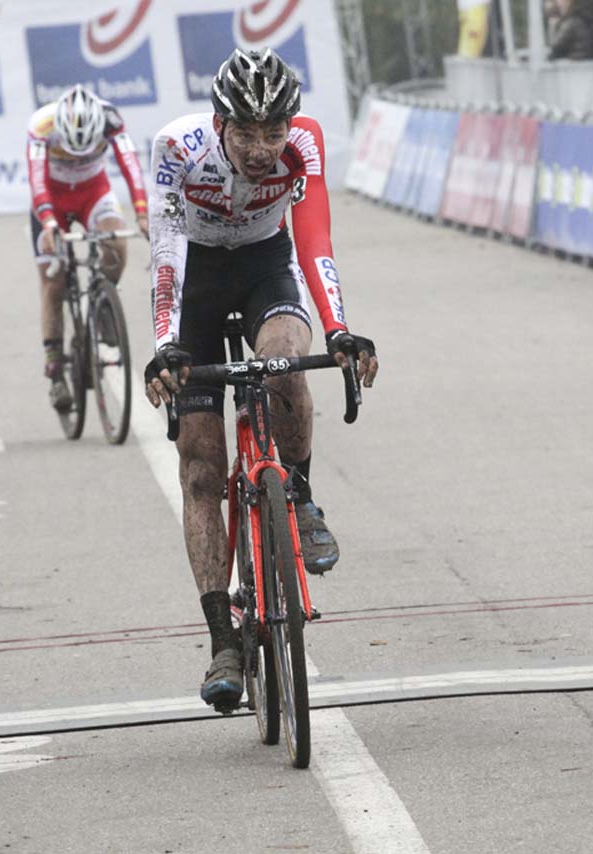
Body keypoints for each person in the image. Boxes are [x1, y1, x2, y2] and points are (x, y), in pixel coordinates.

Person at [142, 48, 379, 711]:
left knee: (285, 364)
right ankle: (222, 639)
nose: (259, 147)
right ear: (220, 122)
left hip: (264, 264)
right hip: (195, 277)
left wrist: (337, 329)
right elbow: (163, 251)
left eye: (272, 131)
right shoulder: (177, 147)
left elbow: (313, 236)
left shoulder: (304, 144)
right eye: (245, 131)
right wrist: (165, 345)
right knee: (200, 469)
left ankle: (298, 498)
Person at [26, 84, 148, 413]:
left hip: (93, 194)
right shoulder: (41, 125)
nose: (78, 156)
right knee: (53, 281)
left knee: (116, 243)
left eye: (87, 150)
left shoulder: (110, 119)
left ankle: (104, 306)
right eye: (71, 150)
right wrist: (49, 222)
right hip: (52, 199)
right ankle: (55, 367)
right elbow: (36, 181)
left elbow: (130, 165)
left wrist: (141, 210)